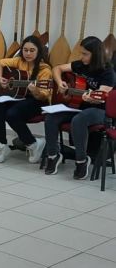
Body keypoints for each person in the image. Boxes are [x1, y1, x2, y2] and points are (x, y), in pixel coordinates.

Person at [44, 36, 115, 179]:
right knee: (51, 116)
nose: (81, 56)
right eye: (81, 53)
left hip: (100, 111)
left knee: (79, 119)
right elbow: (57, 68)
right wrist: (60, 83)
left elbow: (100, 98)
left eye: (85, 54)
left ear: (95, 54)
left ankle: (82, 160)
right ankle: (53, 155)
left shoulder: (108, 72)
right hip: (77, 106)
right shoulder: (81, 65)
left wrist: (90, 98)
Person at [0, 35, 53, 164]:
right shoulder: (19, 61)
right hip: (18, 97)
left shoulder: (44, 69)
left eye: (32, 50)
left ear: (38, 51)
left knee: (12, 113)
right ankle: (1, 145)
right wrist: (0, 77)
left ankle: (33, 144)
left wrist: (34, 90)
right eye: (25, 50)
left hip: (37, 101)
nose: (28, 53)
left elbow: (43, 95)